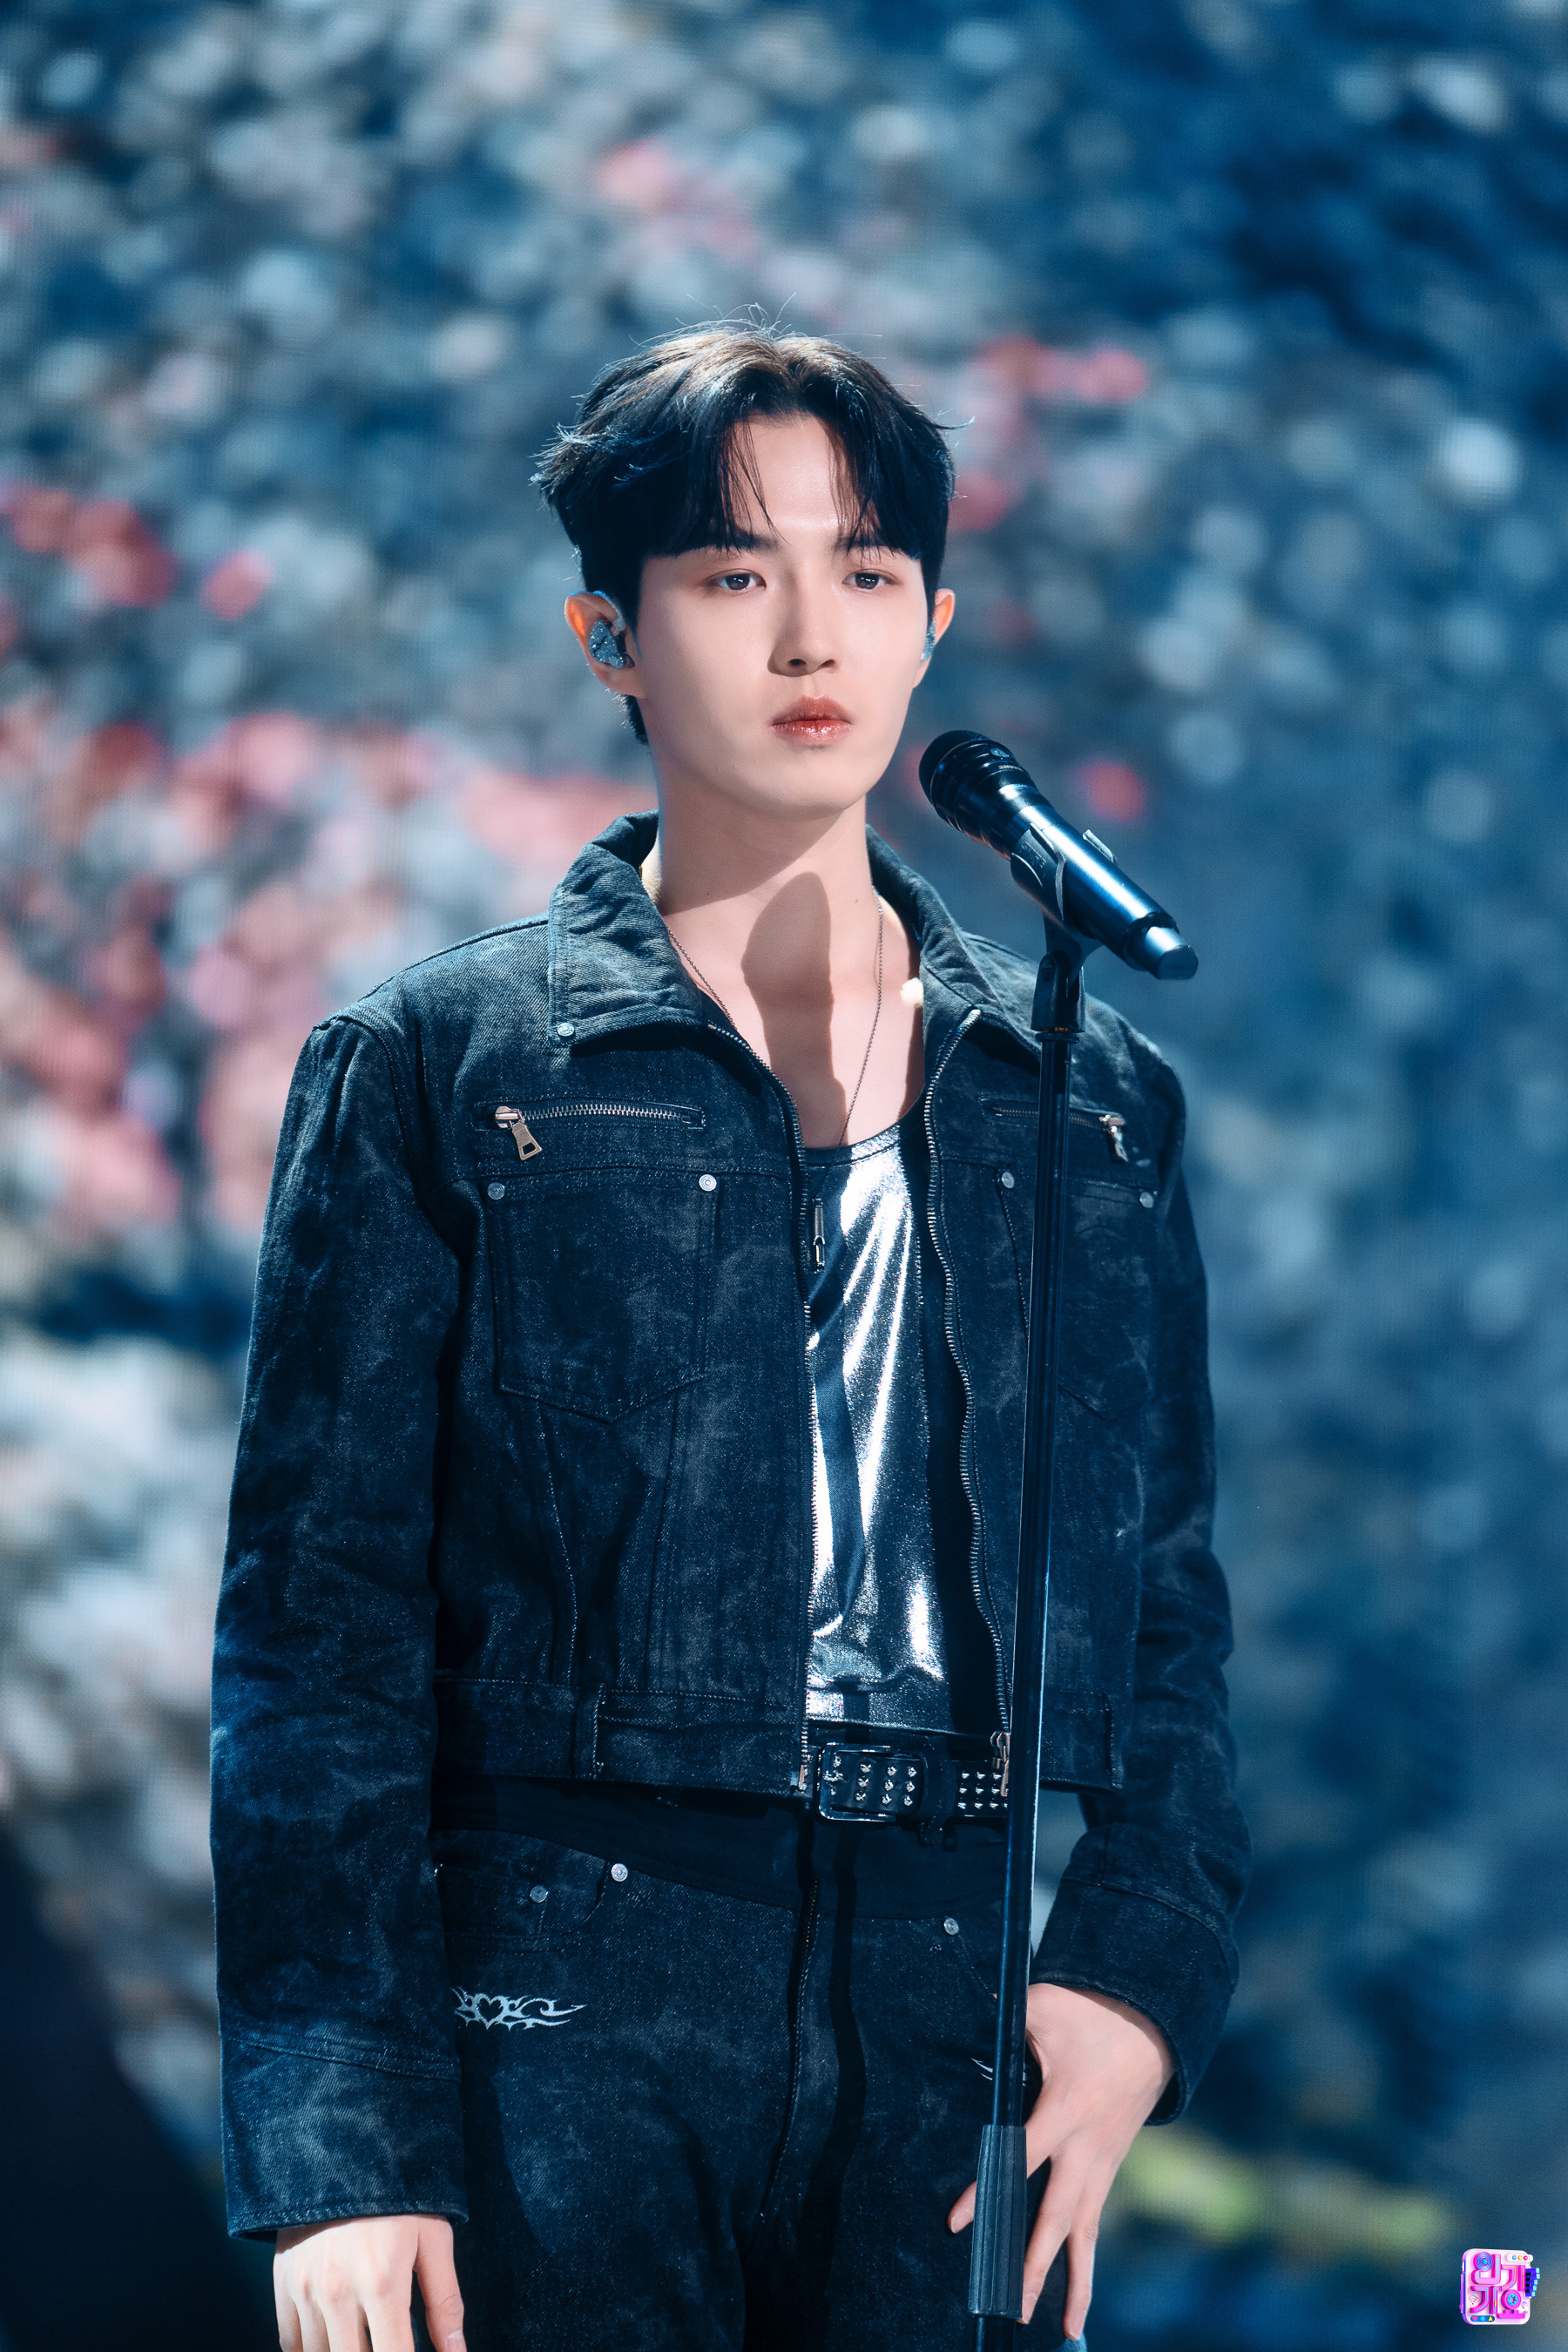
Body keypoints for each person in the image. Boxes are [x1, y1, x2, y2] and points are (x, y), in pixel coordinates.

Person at [211, 324, 1248, 2352]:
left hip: (947, 1985)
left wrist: (1136, 1971)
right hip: (564, 1983)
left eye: (863, 570)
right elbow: (314, 1640)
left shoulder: (1086, 1098)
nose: (806, 634)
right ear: (611, 636)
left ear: (934, 622)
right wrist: (344, 2147)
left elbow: (1169, 1604)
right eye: (727, 571)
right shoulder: (441, 1065)